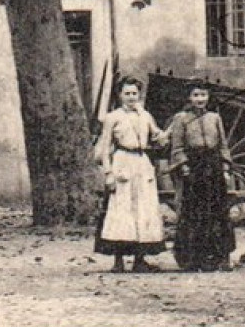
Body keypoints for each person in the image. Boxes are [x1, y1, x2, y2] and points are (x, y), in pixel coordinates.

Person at [93, 77, 168, 273]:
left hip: (141, 162)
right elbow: (104, 147)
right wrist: (108, 173)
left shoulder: (145, 115)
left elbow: (157, 137)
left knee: (142, 209)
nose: (131, 97)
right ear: (120, 95)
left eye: (134, 93)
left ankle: (139, 259)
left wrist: (162, 136)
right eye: (127, 93)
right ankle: (118, 260)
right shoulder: (113, 117)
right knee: (121, 210)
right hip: (122, 161)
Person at [166, 80, 236, 272]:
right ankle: (192, 259)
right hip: (194, 167)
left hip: (213, 166)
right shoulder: (181, 119)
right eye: (196, 95)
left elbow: (222, 145)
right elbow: (177, 147)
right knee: (194, 213)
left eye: (203, 95)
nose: (200, 99)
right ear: (189, 97)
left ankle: (221, 257)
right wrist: (185, 168)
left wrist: (225, 167)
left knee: (218, 212)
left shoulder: (215, 118)